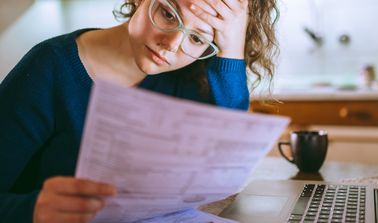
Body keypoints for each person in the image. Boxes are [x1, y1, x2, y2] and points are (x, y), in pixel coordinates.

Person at [0, 0, 279, 222]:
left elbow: (227, 156)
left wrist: (231, 48)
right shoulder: (48, 68)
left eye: (196, 38)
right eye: (168, 14)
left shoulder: (192, 78)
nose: (170, 45)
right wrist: (32, 210)